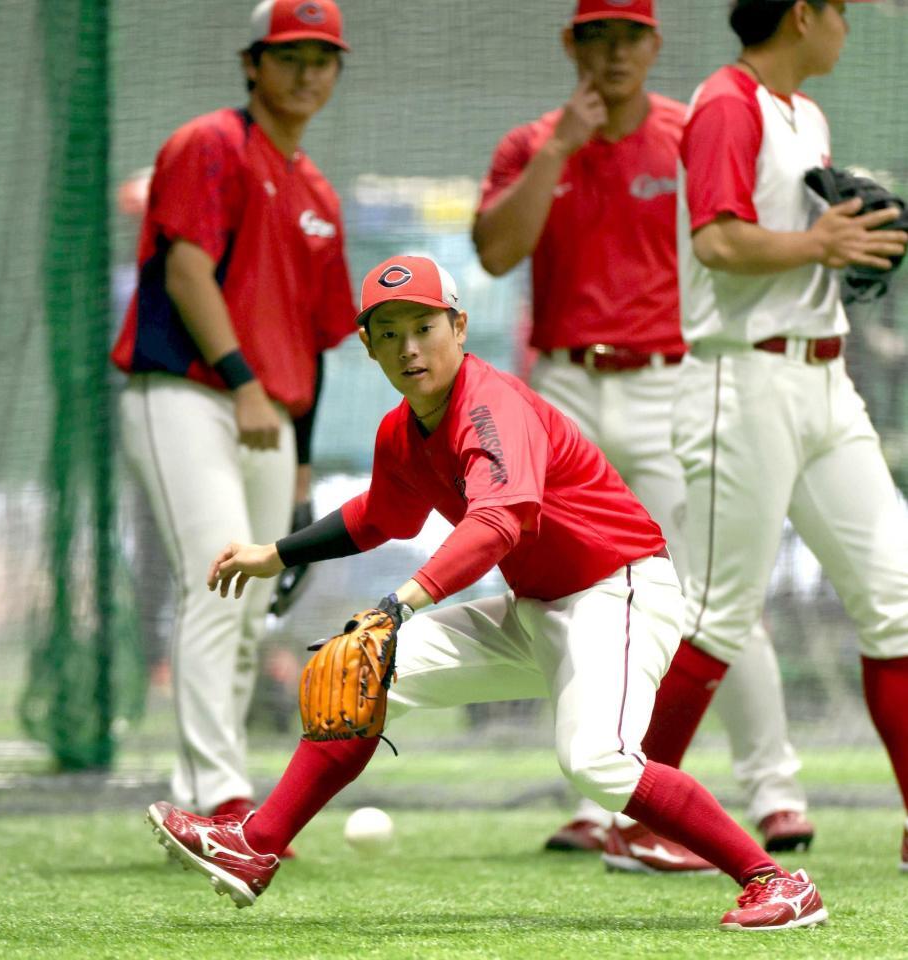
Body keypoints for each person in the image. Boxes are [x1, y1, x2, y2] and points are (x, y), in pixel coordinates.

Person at [147, 254, 827, 931]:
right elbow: (381, 516)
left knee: (597, 761)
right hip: (541, 608)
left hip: (618, 592)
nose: (409, 348)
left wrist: (400, 604)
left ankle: (777, 881)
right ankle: (256, 846)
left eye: (424, 327)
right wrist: (275, 553)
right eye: (389, 333)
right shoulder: (401, 430)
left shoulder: (491, 405)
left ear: (460, 326)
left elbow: (498, 523)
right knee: (365, 673)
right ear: (368, 346)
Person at [472, 0, 812, 866]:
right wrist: (558, 149)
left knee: (707, 591)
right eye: (597, 35)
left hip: (670, 384)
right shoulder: (529, 143)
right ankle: (599, 801)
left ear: (654, 44)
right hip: (564, 394)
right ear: (571, 44)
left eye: (630, 35)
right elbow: (495, 253)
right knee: (575, 599)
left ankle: (775, 791)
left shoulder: (684, 133)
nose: (614, 52)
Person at [639, 0, 908, 873]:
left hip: (823, 377)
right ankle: (636, 818)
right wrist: (817, 241)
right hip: (740, 377)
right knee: (718, 614)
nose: (846, 25)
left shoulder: (804, 113)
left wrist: (838, 241)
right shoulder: (725, 102)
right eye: (840, 10)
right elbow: (716, 243)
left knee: (894, 598)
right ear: (801, 14)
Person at [111, 0, 356, 833]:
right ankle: (224, 799)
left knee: (249, 610)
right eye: (289, 55)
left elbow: (316, 342)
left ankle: (204, 796)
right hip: (184, 393)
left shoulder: (318, 191)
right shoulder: (208, 143)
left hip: (270, 415)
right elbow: (187, 271)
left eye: (322, 58)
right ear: (252, 62)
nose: (307, 72)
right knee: (217, 582)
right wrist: (243, 380)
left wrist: (301, 465)